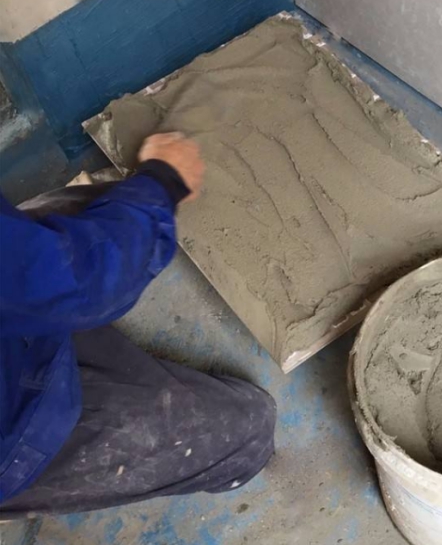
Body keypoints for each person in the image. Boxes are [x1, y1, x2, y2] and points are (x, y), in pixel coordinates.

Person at [0, 133, 276, 518]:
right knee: (250, 426)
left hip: (16, 336)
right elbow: (86, 280)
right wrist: (165, 181)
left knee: (88, 212)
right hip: (15, 430)